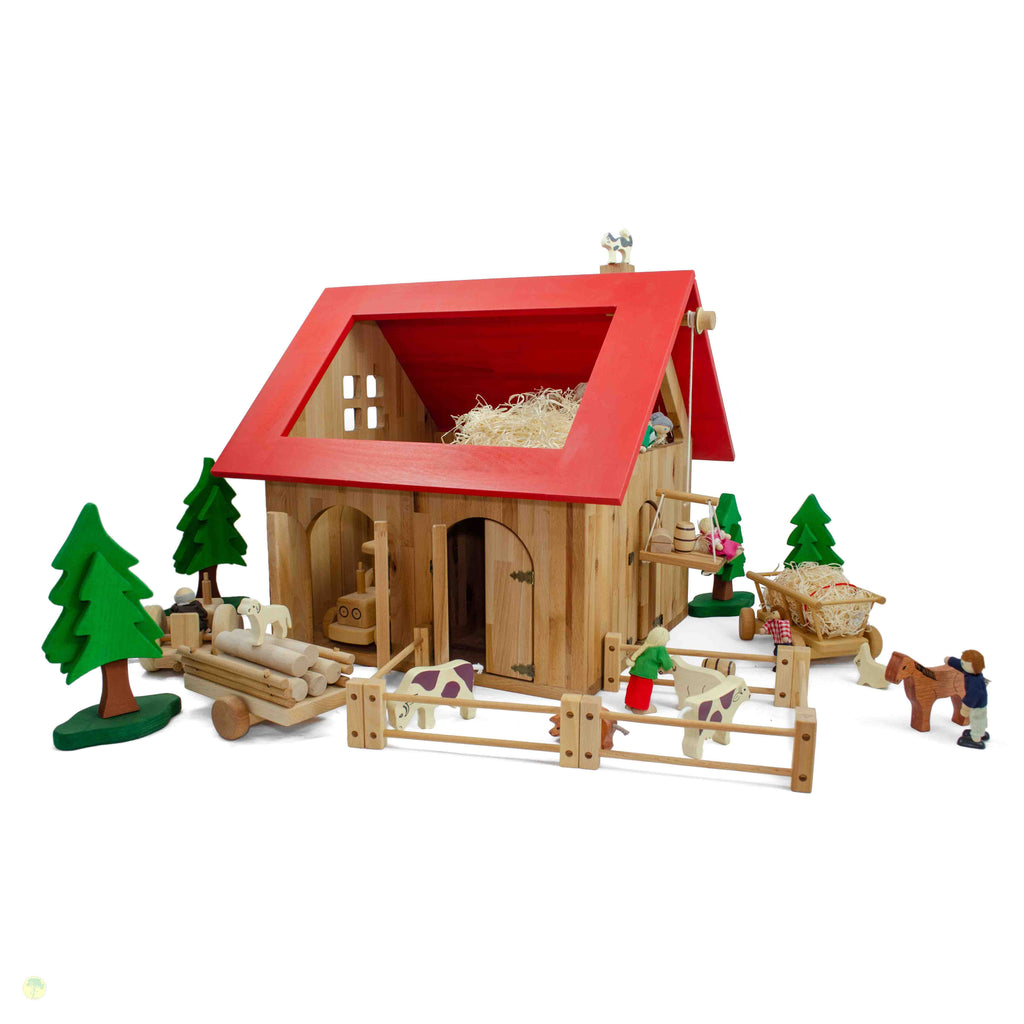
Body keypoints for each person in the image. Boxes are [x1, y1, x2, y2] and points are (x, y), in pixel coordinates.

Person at [624, 626, 673, 715]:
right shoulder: (660, 649)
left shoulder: (646, 645)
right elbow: (666, 662)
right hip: (646, 673)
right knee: (643, 690)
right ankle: (639, 708)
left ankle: (630, 704)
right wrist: (671, 668)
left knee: (633, 687)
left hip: (636, 670)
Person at [945, 649, 989, 749]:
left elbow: (971, 697)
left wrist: (965, 708)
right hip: (981, 703)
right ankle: (981, 732)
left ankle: (976, 739)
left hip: (977, 705)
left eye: (964, 663)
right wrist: (949, 660)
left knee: (976, 719)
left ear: (973, 666)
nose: (962, 664)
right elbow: (961, 664)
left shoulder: (974, 681)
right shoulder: (972, 671)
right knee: (980, 719)